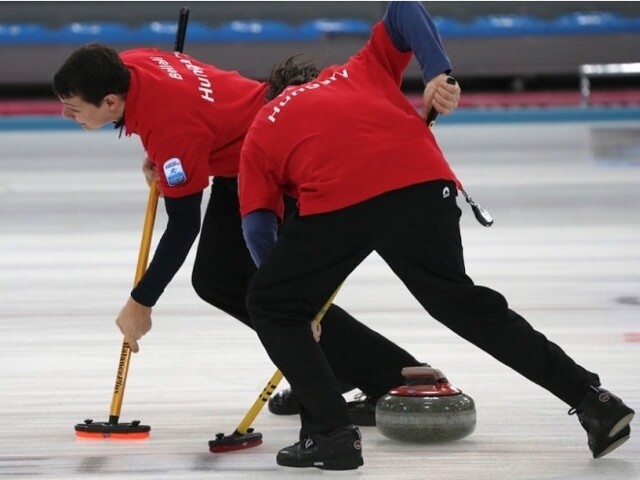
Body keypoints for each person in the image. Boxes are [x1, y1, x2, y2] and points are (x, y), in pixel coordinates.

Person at [238, 1, 635, 470]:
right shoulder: (358, 69)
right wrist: (438, 73)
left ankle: (330, 434)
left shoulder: (262, 124)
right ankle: (593, 400)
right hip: (426, 185)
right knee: (462, 304)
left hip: (341, 197)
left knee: (271, 303)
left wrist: (297, 304)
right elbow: (405, 7)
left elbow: (258, 225)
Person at [50, 27, 458, 426]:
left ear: (108, 100)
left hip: (275, 159)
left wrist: (142, 300)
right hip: (238, 149)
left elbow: (182, 226)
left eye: (73, 107)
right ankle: (328, 367)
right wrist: (165, 151)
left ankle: (392, 375)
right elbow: (182, 110)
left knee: (275, 295)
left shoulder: (171, 128)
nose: (65, 114)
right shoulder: (132, 64)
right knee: (217, 280)